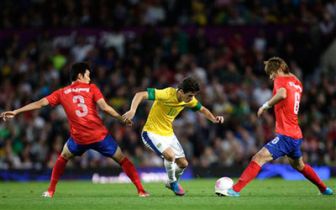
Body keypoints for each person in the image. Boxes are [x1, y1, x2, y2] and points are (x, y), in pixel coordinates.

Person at [0, 62, 149, 198]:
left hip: (79, 139)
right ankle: (141, 190)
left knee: (62, 157)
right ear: (80, 75)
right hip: (99, 136)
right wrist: (121, 118)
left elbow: (40, 103)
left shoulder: (61, 92)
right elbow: (104, 108)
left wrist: (16, 111)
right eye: (88, 75)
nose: (89, 79)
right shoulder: (92, 88)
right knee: (122, 159)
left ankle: (50, 191)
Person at [226, 57, 333, 197]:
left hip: (287, 135)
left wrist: (265, 106)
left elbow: (282, 94)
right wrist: (281, 66)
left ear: (279, 69)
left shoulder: (280, 80)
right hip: (296, 134)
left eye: (272, 73)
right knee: (299, 166)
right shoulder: (297, 83)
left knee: (258, 158)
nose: (271, 77)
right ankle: (325, 189)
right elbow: (290, 78)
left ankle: (235, 190)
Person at [122, 77, 224, 196]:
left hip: (168, 134)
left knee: (183, 164)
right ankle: (173, 182)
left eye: (193, 95)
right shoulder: (167, 94)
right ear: (181, 92)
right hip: (151, 132)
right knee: (170, 156)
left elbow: (202, 109)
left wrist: (214, 119)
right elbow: (140, 94)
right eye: (190, 95)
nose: (191, 98)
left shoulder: (188, 100)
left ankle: (171, 183)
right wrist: (132, 111)